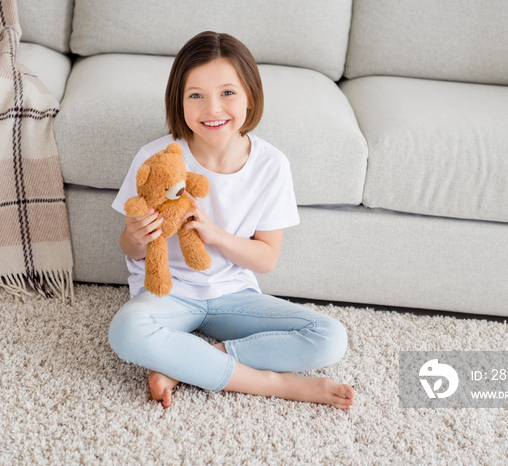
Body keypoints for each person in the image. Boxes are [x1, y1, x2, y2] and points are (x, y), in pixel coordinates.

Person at [109, 31, 355, 409]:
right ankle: (274, 384)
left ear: (250, 97)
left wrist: (215, 235)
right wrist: (136, 236)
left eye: (227, 93)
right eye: (196, 95)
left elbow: (266, 259)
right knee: (126, 331)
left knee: (331, 337)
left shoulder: (272, 165)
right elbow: (129, 249)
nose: (213, 109)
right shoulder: (156, 157)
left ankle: (188, 362)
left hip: (233, 296)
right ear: (179, 100)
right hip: (168, 294)